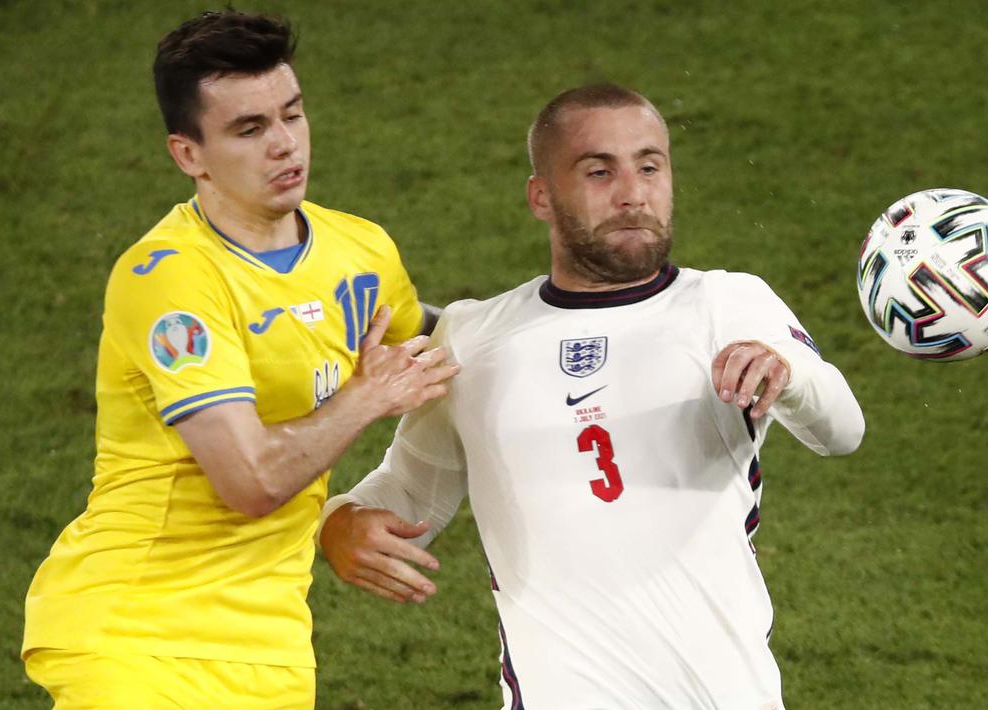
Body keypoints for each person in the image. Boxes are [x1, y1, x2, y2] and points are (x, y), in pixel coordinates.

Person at [319, 84, 865, 709]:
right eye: (600, 171)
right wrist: (341, 525)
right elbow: (410, 492)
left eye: (650, 166)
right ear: (541, 197)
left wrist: (787, 373)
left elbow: (842, 430)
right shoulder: (473, 338)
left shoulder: (726, 303)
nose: (633, 193)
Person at [21, 10, 457, 708]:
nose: (284, 146)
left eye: (292, 115)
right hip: (139, 634)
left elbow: (440, 345)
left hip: (270, 651)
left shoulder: (359, 250)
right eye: (249, 130)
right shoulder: (171, 281)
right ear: (188, 154)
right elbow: (249, 481)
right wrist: (365, 398)